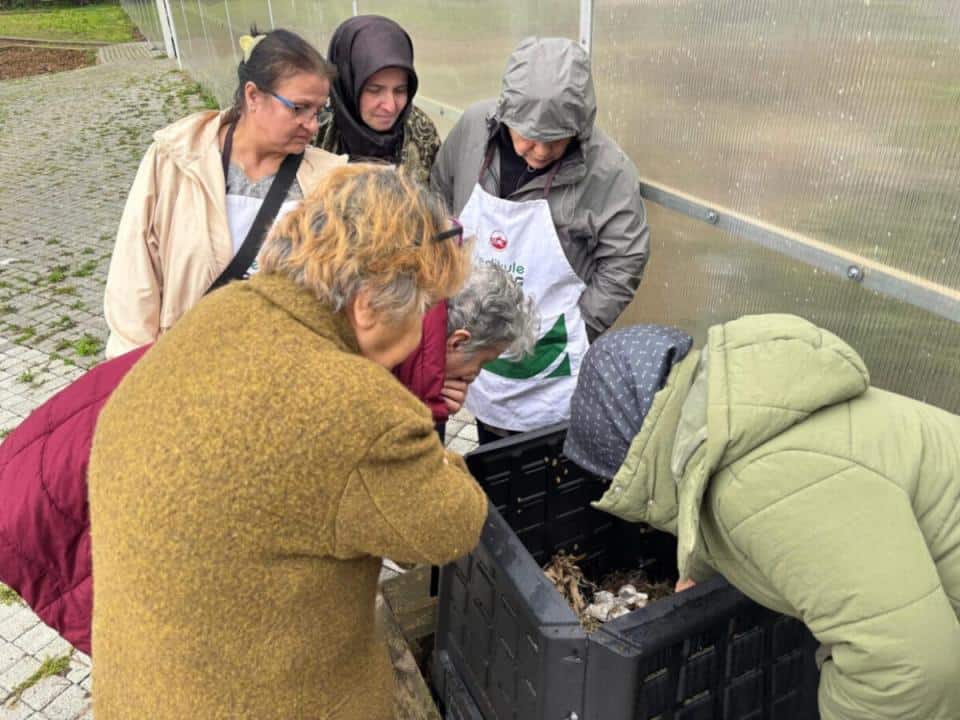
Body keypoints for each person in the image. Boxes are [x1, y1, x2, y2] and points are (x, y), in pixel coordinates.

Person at [88, 164, 488, 719]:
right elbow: (452, 524)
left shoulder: (224, 311)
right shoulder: (357, 411)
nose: (425, 327)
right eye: (424, 306)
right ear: (369, 305)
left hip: (145, 689)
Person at [563, 314, 960, 720]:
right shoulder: (740, 412)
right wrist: (699, 562)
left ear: (632, 459)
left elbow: (905, 669)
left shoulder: (756, 484)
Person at [431, 36, 649, 443]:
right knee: (488, 446)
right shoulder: (473, 131)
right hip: (474, 345)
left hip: (550, 358)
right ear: (506, 115)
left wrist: (582, 327)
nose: (542, 150)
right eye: (529, 135)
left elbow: (626, 258)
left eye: (558, 137)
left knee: (539, 462)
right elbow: (439, 198)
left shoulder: (608, 171)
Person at [103, 28, 346, 359]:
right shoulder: (176, 160)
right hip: (185, 366)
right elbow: (134, 275)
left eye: (319, 111)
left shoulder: (328, 180)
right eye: (299, 108)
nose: (312, 125)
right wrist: (134, 367)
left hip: (281, 375)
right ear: (253, 96)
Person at [394, 261, 538, 441]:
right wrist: (423, 405)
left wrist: (430, 398)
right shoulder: (387, 354)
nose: (474, 375)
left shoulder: (405, 334)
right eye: (482, 362)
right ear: (457, 342)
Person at [316, 15, 440, 185]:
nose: (390, 106)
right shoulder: (313, 128)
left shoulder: (421, 133)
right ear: (346, 84)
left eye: (400, 90)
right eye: (374, 90)